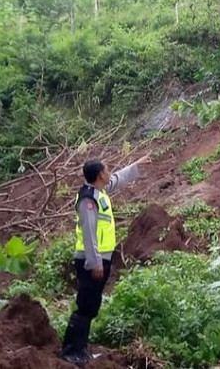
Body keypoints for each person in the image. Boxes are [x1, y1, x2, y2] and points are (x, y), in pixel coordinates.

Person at [60, 155, 151, 365]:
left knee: (92, 304)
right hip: (90, 261)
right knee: (85, 304)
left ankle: (80, 349)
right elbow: (90, 233)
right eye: (107, 169)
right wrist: (96, 262)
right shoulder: (87, 200)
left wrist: (137, 166)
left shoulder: (98, 192)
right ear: (100, 175)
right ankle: (70, 351)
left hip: (101, 258)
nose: (110, 172)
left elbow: (117, 178)